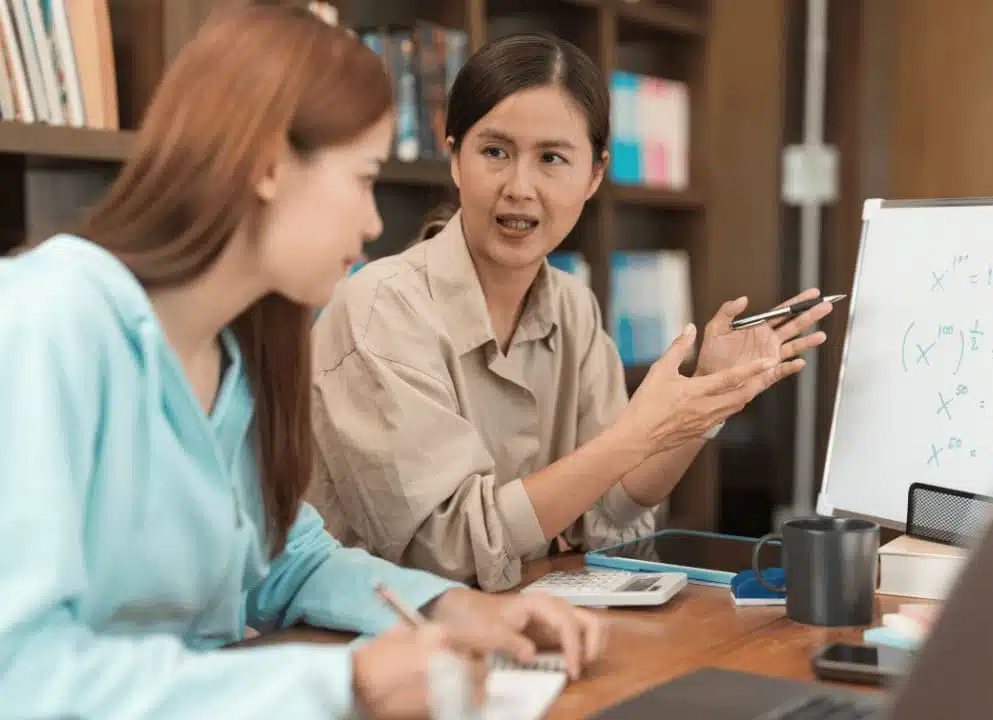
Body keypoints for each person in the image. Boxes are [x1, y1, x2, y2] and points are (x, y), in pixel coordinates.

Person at [0, 8, 604, 719]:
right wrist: (344, 685)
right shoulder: (45, 322)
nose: (375, 222)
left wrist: (454, 608)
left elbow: (289, 560)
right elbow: (21, 675)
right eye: (362, 178)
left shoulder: (240, 351)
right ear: (267, 166)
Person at [307, 32, 835, 592]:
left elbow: (616, 502)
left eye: (552, 158)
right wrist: (634, 436)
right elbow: (449, 550)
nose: (519, 187)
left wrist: (709, 392)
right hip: (377, 641)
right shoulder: (380, 309)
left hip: (515, 623)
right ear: (454, 157)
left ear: (595, 176)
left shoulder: (572, 304)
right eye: (495, 152)